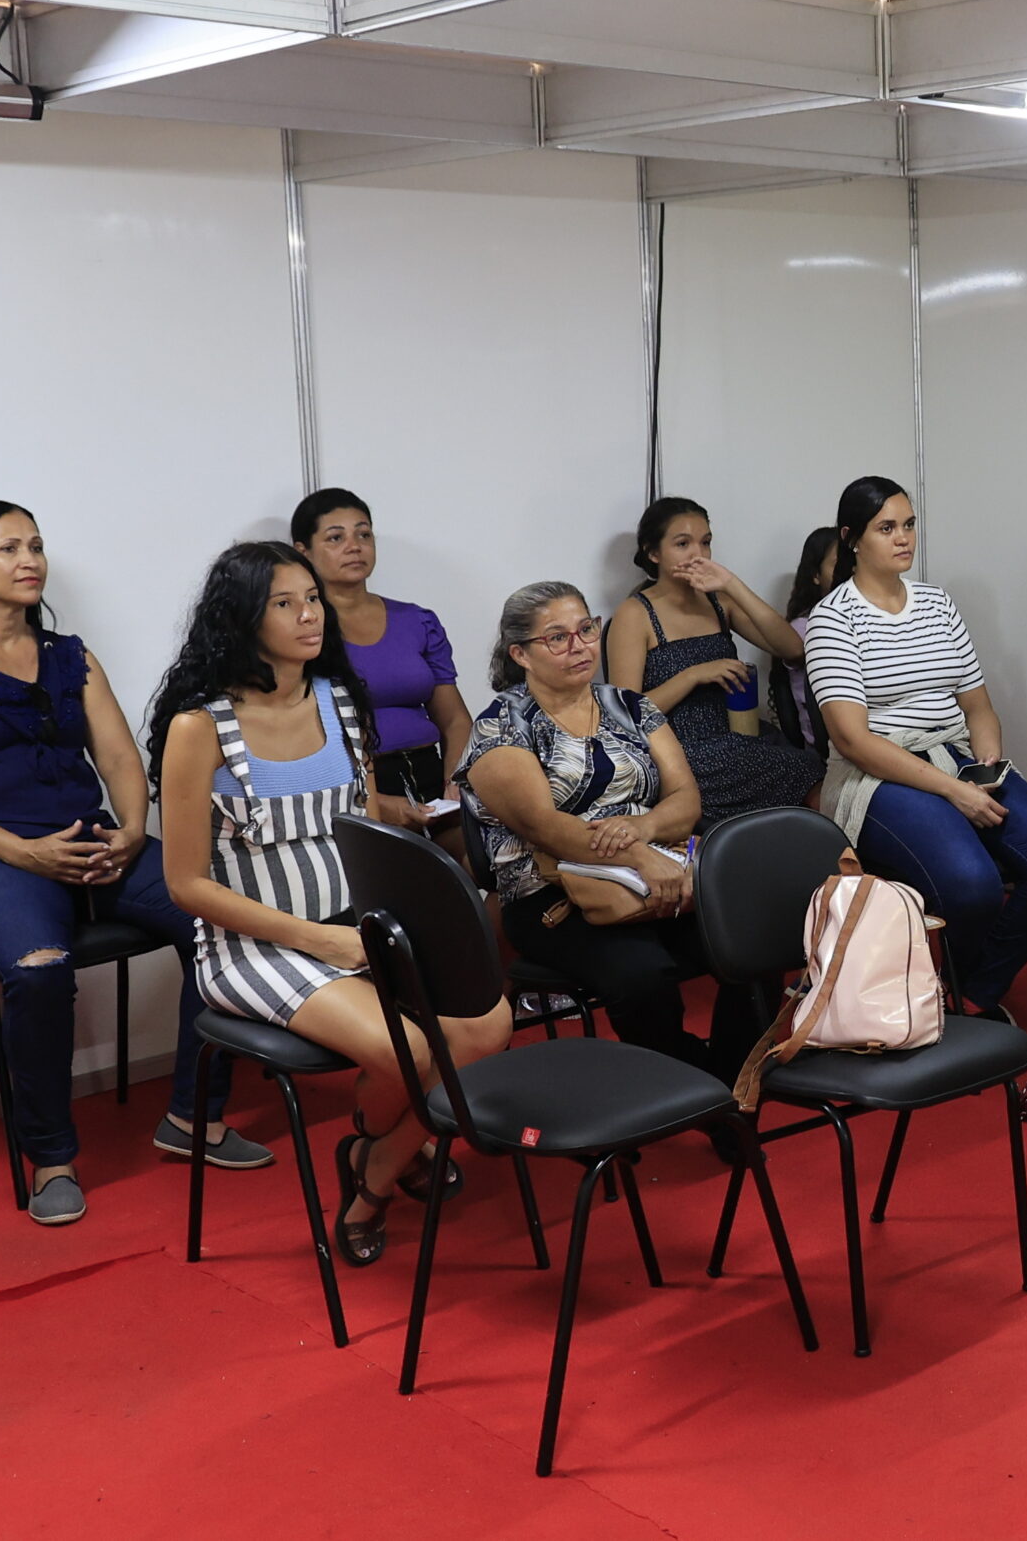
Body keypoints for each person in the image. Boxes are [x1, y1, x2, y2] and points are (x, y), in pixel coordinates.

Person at [0, 503, 264, 1226]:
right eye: (9, 547)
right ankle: (52, 1156)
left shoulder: (70, 656)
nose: (30, 558)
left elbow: (121, 755)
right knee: (38, 965)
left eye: (36, 545)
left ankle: (194, 1115)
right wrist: (23, 850)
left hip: (93, 844)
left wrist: (130, 828)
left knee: (221, 919)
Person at [152, 542, 510, 1266]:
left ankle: (373, 1159)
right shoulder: (200, 727)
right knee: (412, 1047)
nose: (308, 614)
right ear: (241, 619)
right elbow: (188, 885)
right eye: (284, 603)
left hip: (358, 926)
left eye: (311, 598)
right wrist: (324, 941)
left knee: (490, 1020)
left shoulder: (340, 701)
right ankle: (382, 1173)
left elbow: (362, 825)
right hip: (255, 947)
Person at [803, 476, 1027, 1015]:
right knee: (970, 886)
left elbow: (978, 707)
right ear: (852, 539)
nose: (903, 537)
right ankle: (969, 989)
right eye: (886, 527)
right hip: (880, 773)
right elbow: (853, 739)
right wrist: (953, 791)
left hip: (955, 755)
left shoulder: (937, 604)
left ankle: (975, 992)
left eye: (909, 524)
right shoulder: (833, 618)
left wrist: (985, 765)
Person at [460, 581, 759, 1081]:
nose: (579, 646)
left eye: (585, 629)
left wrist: (641, 829)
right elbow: (546, 827)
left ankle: (733, 1080)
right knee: (641, 975)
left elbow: (685, 799)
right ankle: (690, 1080)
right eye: (557, 638)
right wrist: (639, 856)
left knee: (751, 942)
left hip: (663, 872)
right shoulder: (501, 728)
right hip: (554, 897)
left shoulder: (630, 706)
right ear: (521, 654)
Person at [604, 498, 824, 823]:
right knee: (797, 771)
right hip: (679, 748)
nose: (698, 554)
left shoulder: (718, 602)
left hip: (739, 734)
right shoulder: (635, 614)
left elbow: (792, 647)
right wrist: (693, 675)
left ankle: (841, 864)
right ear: (654, 553)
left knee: (813, 769)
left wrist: (732, 585)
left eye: (705, 543)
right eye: (682, 544)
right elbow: (623, 715)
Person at [290, 488, 470, 835]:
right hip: (353, 788)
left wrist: (457, 781)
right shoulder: (304, 630)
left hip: (434, 778)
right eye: (335, 537)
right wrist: (376, 801)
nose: (354, 546)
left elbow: (454, 719)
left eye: (363, 533)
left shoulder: (416, 620)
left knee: (478, 870)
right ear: (303, 551)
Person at [778, 526, 838, 749]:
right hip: (828, 751)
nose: (850, 571)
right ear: (816, 575)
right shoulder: (803, 628)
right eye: (837, 564)